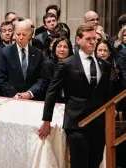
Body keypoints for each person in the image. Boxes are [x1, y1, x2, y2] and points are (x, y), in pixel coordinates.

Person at [39, 24, 112, 168]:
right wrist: (47, 120)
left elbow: (106, 93)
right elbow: (52, 92)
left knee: (95, 163)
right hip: (77, 123)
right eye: (88, 39)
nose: (93, 42)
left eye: (95, 39)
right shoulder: (67, 64)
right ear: (78, 40)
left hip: (98, 124)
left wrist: (110, 110)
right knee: (79, 164)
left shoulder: (105, 65)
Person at [0, 21, 46, 100]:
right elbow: (0, 77)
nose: (21, 37)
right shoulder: (6, 52)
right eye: (18, 34)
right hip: (12, 98)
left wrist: (30, 93)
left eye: (24, 34)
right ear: (15, 34)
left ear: (30, 35)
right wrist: (14, 94)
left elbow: (42, 78)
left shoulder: (38, 53)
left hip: (32, 99)